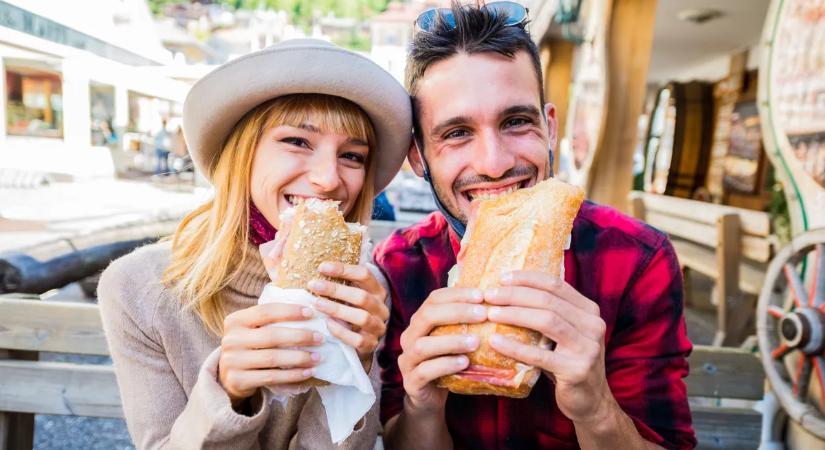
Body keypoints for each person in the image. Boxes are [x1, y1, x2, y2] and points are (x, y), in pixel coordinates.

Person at [374, 3, 696, 450]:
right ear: (417, 157)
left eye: (516, 122)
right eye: (456, 133)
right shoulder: (398, 266)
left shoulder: (637, 260)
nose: (494, 164)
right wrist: (421, 405)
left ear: (550, 128)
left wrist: (595, 408)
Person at [97, 39, 411, 449]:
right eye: (297, 141)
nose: (328, 179)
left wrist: (355, 365)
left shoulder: (362, 292)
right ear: (242, 154)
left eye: (352, 156)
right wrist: (228, 391)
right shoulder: (138, 288)